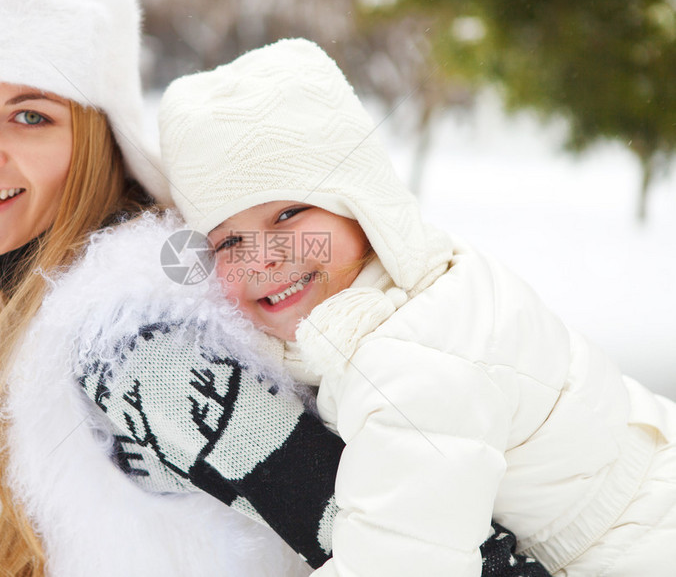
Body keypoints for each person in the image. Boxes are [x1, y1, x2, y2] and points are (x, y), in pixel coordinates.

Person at [0, 0, 550, 573]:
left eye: (31, 115)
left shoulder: (141, 348)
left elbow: (434, 553)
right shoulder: (27, 304)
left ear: (97, 135)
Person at [156, 37, 676, 576]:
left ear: (363, 205)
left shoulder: (411, 358)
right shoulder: (407, 284)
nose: (263, 259)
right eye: (228, 243)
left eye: (289, 215)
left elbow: (396, 563)